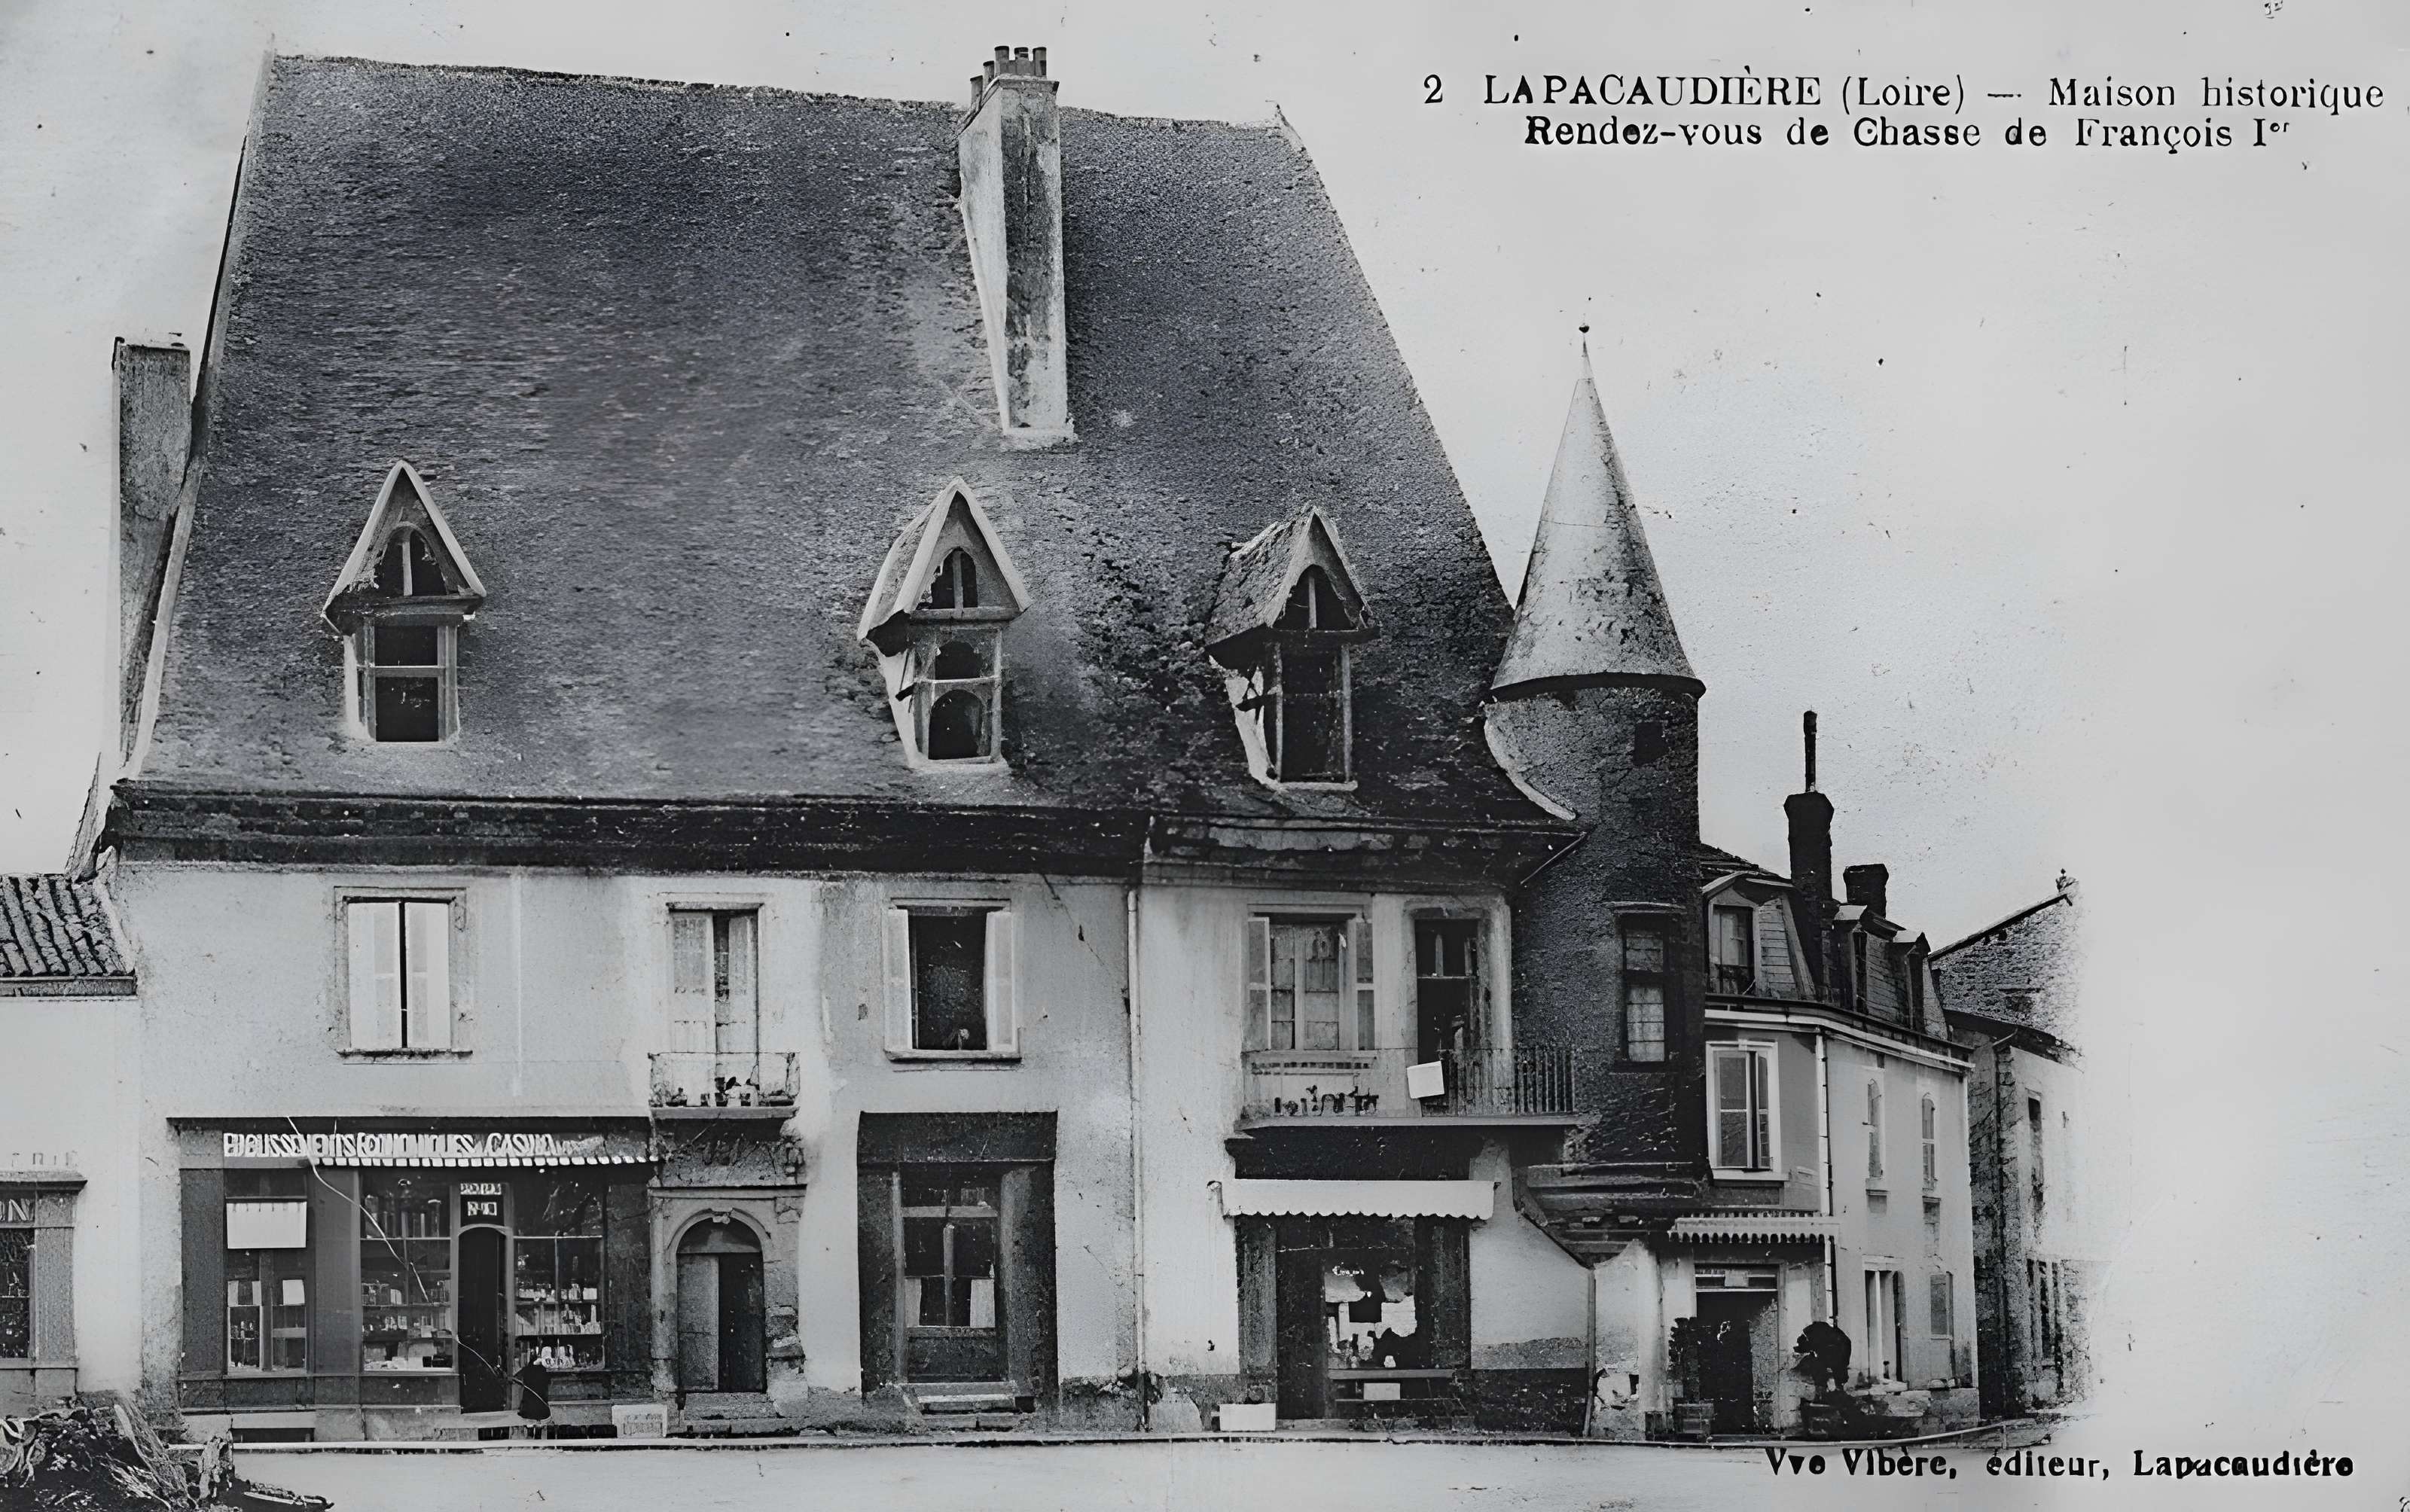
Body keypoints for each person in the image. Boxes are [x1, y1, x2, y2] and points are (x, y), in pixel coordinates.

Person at [515, 1346, 553, 1437]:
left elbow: (519, 1377)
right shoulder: (544, 1370)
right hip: (540, 1402)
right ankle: (536, 1433)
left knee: (532, 1419)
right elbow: (549, 1382)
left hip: (530, 1402)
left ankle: (531, 1433)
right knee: (539, 1418)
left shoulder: (528, 1369)